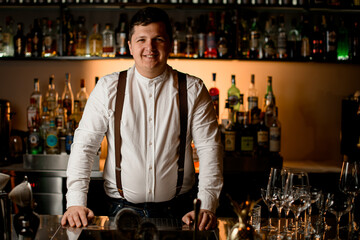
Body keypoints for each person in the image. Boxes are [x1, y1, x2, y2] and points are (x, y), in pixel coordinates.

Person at [61, 7, 223, 231]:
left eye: (158, 39)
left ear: (169, 43)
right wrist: (76, 203)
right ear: (130, 46)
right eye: (142, 40)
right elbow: (84, 146)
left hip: (180, 213)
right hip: (120, 211)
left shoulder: (194, 89)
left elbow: (209, 149)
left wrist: (206, 206)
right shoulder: (108, 88)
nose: (150, 47)